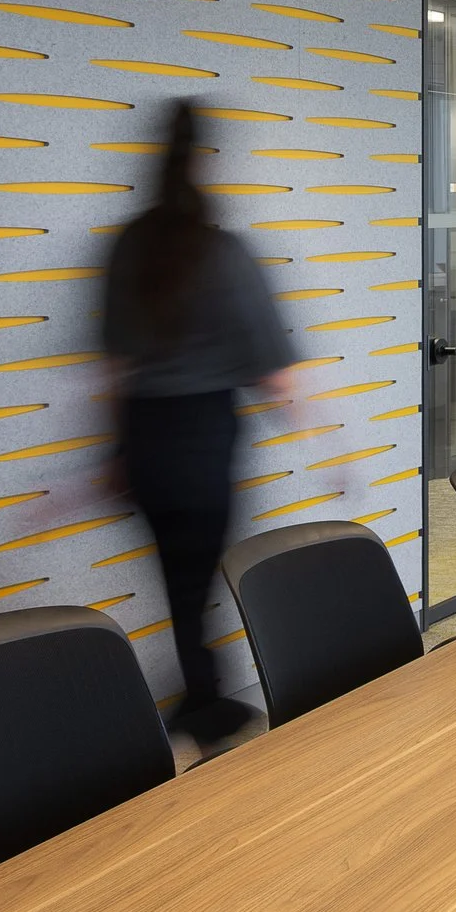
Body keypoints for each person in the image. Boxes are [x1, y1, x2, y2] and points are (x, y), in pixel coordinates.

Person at [102, 99, 295, 748]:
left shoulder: (129, 246)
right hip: (205, 434)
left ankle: (201, 695)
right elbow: (272, 370)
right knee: (195, 577)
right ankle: (206, 703)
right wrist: (320, 434)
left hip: (148, 436)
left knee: (182, 580)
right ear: (205, 162)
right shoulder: (224, 251)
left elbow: (115, 366)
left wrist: (115, 451)